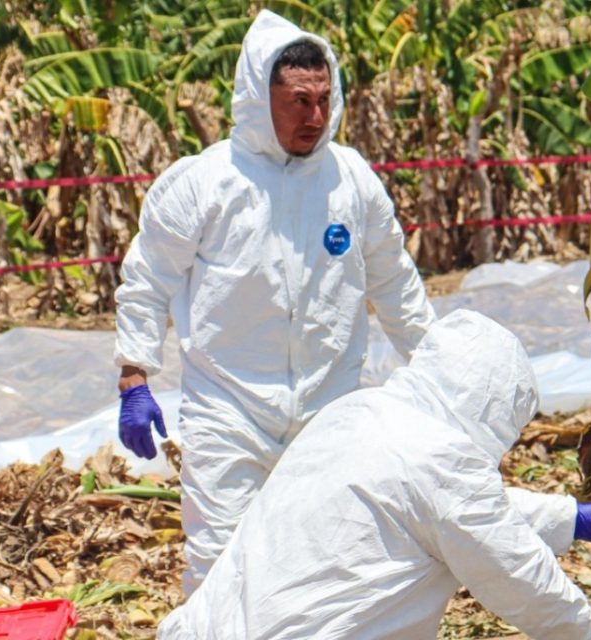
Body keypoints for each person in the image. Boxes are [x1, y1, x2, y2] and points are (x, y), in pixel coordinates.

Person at [112, 10, 435, 594]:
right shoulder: (206, 183)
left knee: (329, 561)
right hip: (228, 410)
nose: (315, 117)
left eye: (323, 100)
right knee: (221, 564)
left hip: (327, 408)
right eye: (298, 101)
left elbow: (396, 285)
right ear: (261, 99)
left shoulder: (351, 181)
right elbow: (147, 277)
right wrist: (135, 379)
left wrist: (439, 373)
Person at [156, 311, 591, 639]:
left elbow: (435, 510)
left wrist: (570, 518)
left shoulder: (361, 412)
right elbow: (509, 566)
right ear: (491, 405)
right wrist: (588, 630)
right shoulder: (442, 458)